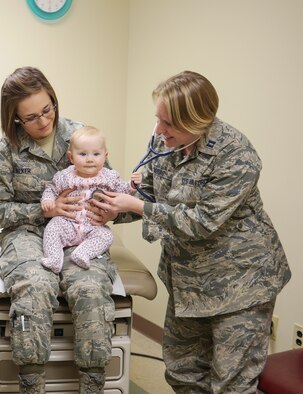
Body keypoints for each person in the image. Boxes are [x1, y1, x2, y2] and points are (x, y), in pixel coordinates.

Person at [91, 70, 291, 393]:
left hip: (241, 284)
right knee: (182, 372)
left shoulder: (236, 155)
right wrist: (110, 207)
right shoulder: (164, 143)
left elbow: (201, 221)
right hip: (189, 282)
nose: (159, 130)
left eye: (168, 123)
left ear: (196, 120)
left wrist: (137, 206)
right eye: (157, 119)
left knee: (231, 384)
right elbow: (151, 193)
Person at [0, 66, 118, 393]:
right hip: (27, 234)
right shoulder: (6, 150)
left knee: (89, 286)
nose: (44, 121)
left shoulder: (81, 136)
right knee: (36, 283)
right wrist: (43, 210)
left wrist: (113, 207)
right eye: (31, 118)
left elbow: (112, 191)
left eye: (48, 109)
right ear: (15, 119)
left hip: (81, 232)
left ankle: (93, 383)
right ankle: (32, 383)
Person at [41, 126, 141, 274]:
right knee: (52, 228)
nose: (89, 159)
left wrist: (132, 185)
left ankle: (83, 253)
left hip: (93, 224)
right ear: (71, 157)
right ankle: (54, 258)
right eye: (82, 154)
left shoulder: (110, 177)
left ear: (105, 156)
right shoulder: (64, 176)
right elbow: (51, 189)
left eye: (96, 154)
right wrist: (48, 200)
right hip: (68, 222)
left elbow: (122, 190)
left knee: (106, 235)